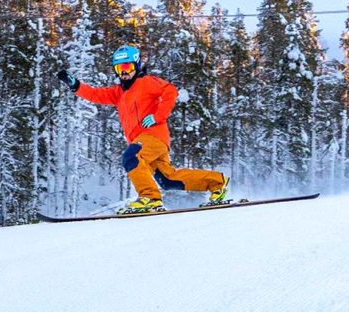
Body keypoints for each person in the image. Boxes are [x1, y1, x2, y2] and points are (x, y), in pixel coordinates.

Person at [56, 45, 229, 214]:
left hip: (153, 136)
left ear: (137, 65)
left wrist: (158, 116)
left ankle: (150, 199)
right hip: (146, 142)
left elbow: (170, 90)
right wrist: (75, 85)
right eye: (119, 68)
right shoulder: (119, 92)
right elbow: (96, 94)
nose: (124, 72)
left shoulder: (146, 82)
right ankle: (217, 183)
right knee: (168, 179)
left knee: (131, 156)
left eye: (127, 67)